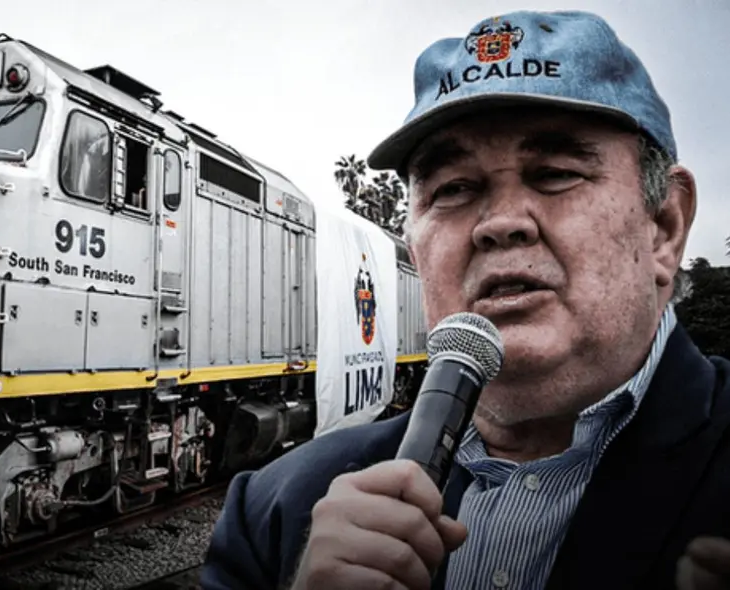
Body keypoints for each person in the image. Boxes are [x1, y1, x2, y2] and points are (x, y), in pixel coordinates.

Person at [200, 9, 730, 590]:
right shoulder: (273, 513)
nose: (499, 223)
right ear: (416, 246)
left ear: (664, 226)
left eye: (555, 173)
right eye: (454, 189)